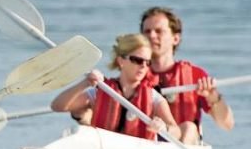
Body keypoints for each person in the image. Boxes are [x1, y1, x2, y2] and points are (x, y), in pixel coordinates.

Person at [51, 33, 181, 141]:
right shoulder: (101, 92)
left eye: (148, 62)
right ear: (121, 61)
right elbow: (58, 106)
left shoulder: (153, 98)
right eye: (137, 60)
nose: (143, 66)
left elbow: (176, 131)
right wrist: (84, 83)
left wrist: (164, 128)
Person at [140, 7, 234, 144]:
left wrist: (213, 97)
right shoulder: (134, 73)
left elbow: (227, 124)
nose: (152, 36)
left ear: (175, 38)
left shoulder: (195, 76)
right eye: (147, 31)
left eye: (159, 31)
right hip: (147, 143)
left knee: (189, 128)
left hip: (185, 144)